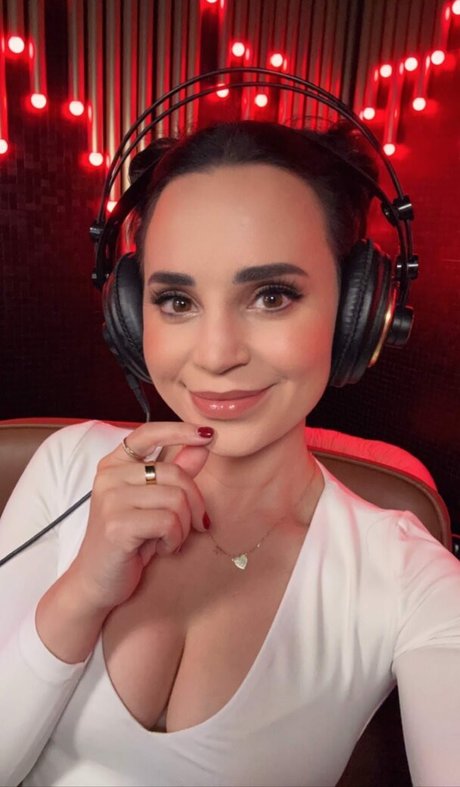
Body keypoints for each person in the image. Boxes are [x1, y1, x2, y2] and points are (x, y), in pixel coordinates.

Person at [1, 119, 460, 787]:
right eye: (176, 300)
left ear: (358, 312)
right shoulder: (68, 467)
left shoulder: (409, 577)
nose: (217, 354)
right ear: (130, 313)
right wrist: (81, 591)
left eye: (272, 296)